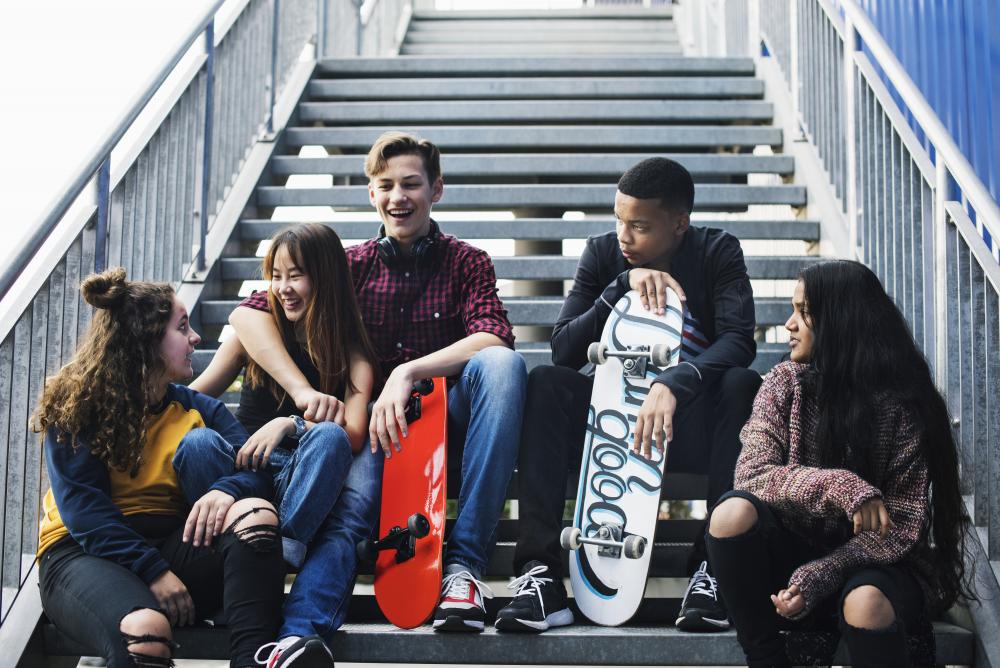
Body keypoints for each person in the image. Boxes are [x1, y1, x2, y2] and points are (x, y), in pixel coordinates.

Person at [228, 131, 526, 632]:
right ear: (371, 193)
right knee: (350, 513)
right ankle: (298, 633)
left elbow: (494, 336)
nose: (398, 197)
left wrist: (409, 372)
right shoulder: (350, 265)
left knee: (503, 366)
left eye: (411, 184)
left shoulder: (467, 261)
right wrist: (304, 398)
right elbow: (251, 311)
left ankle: (465, 568)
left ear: (437, 190)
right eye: (385, 185)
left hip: (444, 419)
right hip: (372, 427)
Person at [500, 157, 761, 632]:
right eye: (619, 220)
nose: (624, 236)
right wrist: (618, 288)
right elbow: (563, 350)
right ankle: (541, 575)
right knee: (545, 383)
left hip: (685, 423)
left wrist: (674, 381)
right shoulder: (604, 255)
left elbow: (740, 341)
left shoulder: (716, 251)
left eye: (639, 225)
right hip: (611, 424)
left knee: (742, 386)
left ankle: (714, 572)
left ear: (679, 223)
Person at [705, 260, 972, 667]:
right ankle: (767, 661)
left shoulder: (903, 407)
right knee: (730, 513)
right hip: (790, 557)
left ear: (842, 321)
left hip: (879, 564)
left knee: (864, 603)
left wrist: (822, 574)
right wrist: (841, 488)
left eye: (804, 312)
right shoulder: (784, 384)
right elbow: (752, 475)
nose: (789, 325)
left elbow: (899, 529)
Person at [33, 268, 283, 668]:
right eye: (182, 328)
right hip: (84, 556)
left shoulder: (199, 407)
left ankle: (254, 662)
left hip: (173, 545)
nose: (195, 338)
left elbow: (258, 471)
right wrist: (154, 573)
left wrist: (226, 490)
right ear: (145, 339)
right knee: (145, 634)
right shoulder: (77, 404)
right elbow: (87, 516)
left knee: (255, 515)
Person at [191, 223, 381, 665]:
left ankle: (280, 551)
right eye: (275, 276)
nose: (283, 288)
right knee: (198, 443)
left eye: (295, 275)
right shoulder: (254, 331)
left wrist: (290, 424)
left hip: (307, 479)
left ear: (326, 277)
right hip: (248, 470)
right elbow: (200, 395)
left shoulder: (352, 352)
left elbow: (353, 432)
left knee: (332, 436)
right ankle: (246, 561)